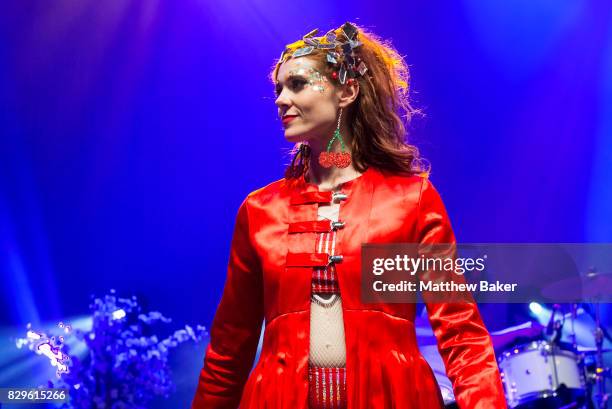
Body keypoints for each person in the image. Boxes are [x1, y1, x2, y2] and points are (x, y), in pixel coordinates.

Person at [192, 22, 506, 409]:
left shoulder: (409, 200)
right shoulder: (260, 211)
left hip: (392, 398)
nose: (280, 100)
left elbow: (461, 334)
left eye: (297, 84)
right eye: (278, 88)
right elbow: (229, 348)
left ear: (347, 91)